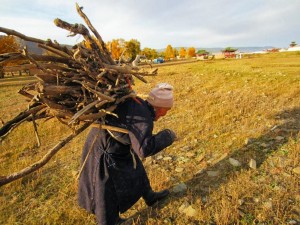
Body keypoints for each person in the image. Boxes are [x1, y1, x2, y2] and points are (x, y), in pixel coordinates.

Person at [78, 83, 176, 225]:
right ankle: (110, 222)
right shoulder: (144, 118)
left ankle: (149, 196)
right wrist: (167, 136)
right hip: (104, 149)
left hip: (111, 143)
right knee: (104, 187)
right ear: (160, 109)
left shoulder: (140, 104)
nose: (165, 114)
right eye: (167, 110)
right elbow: (144, 149)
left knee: (136, 167)